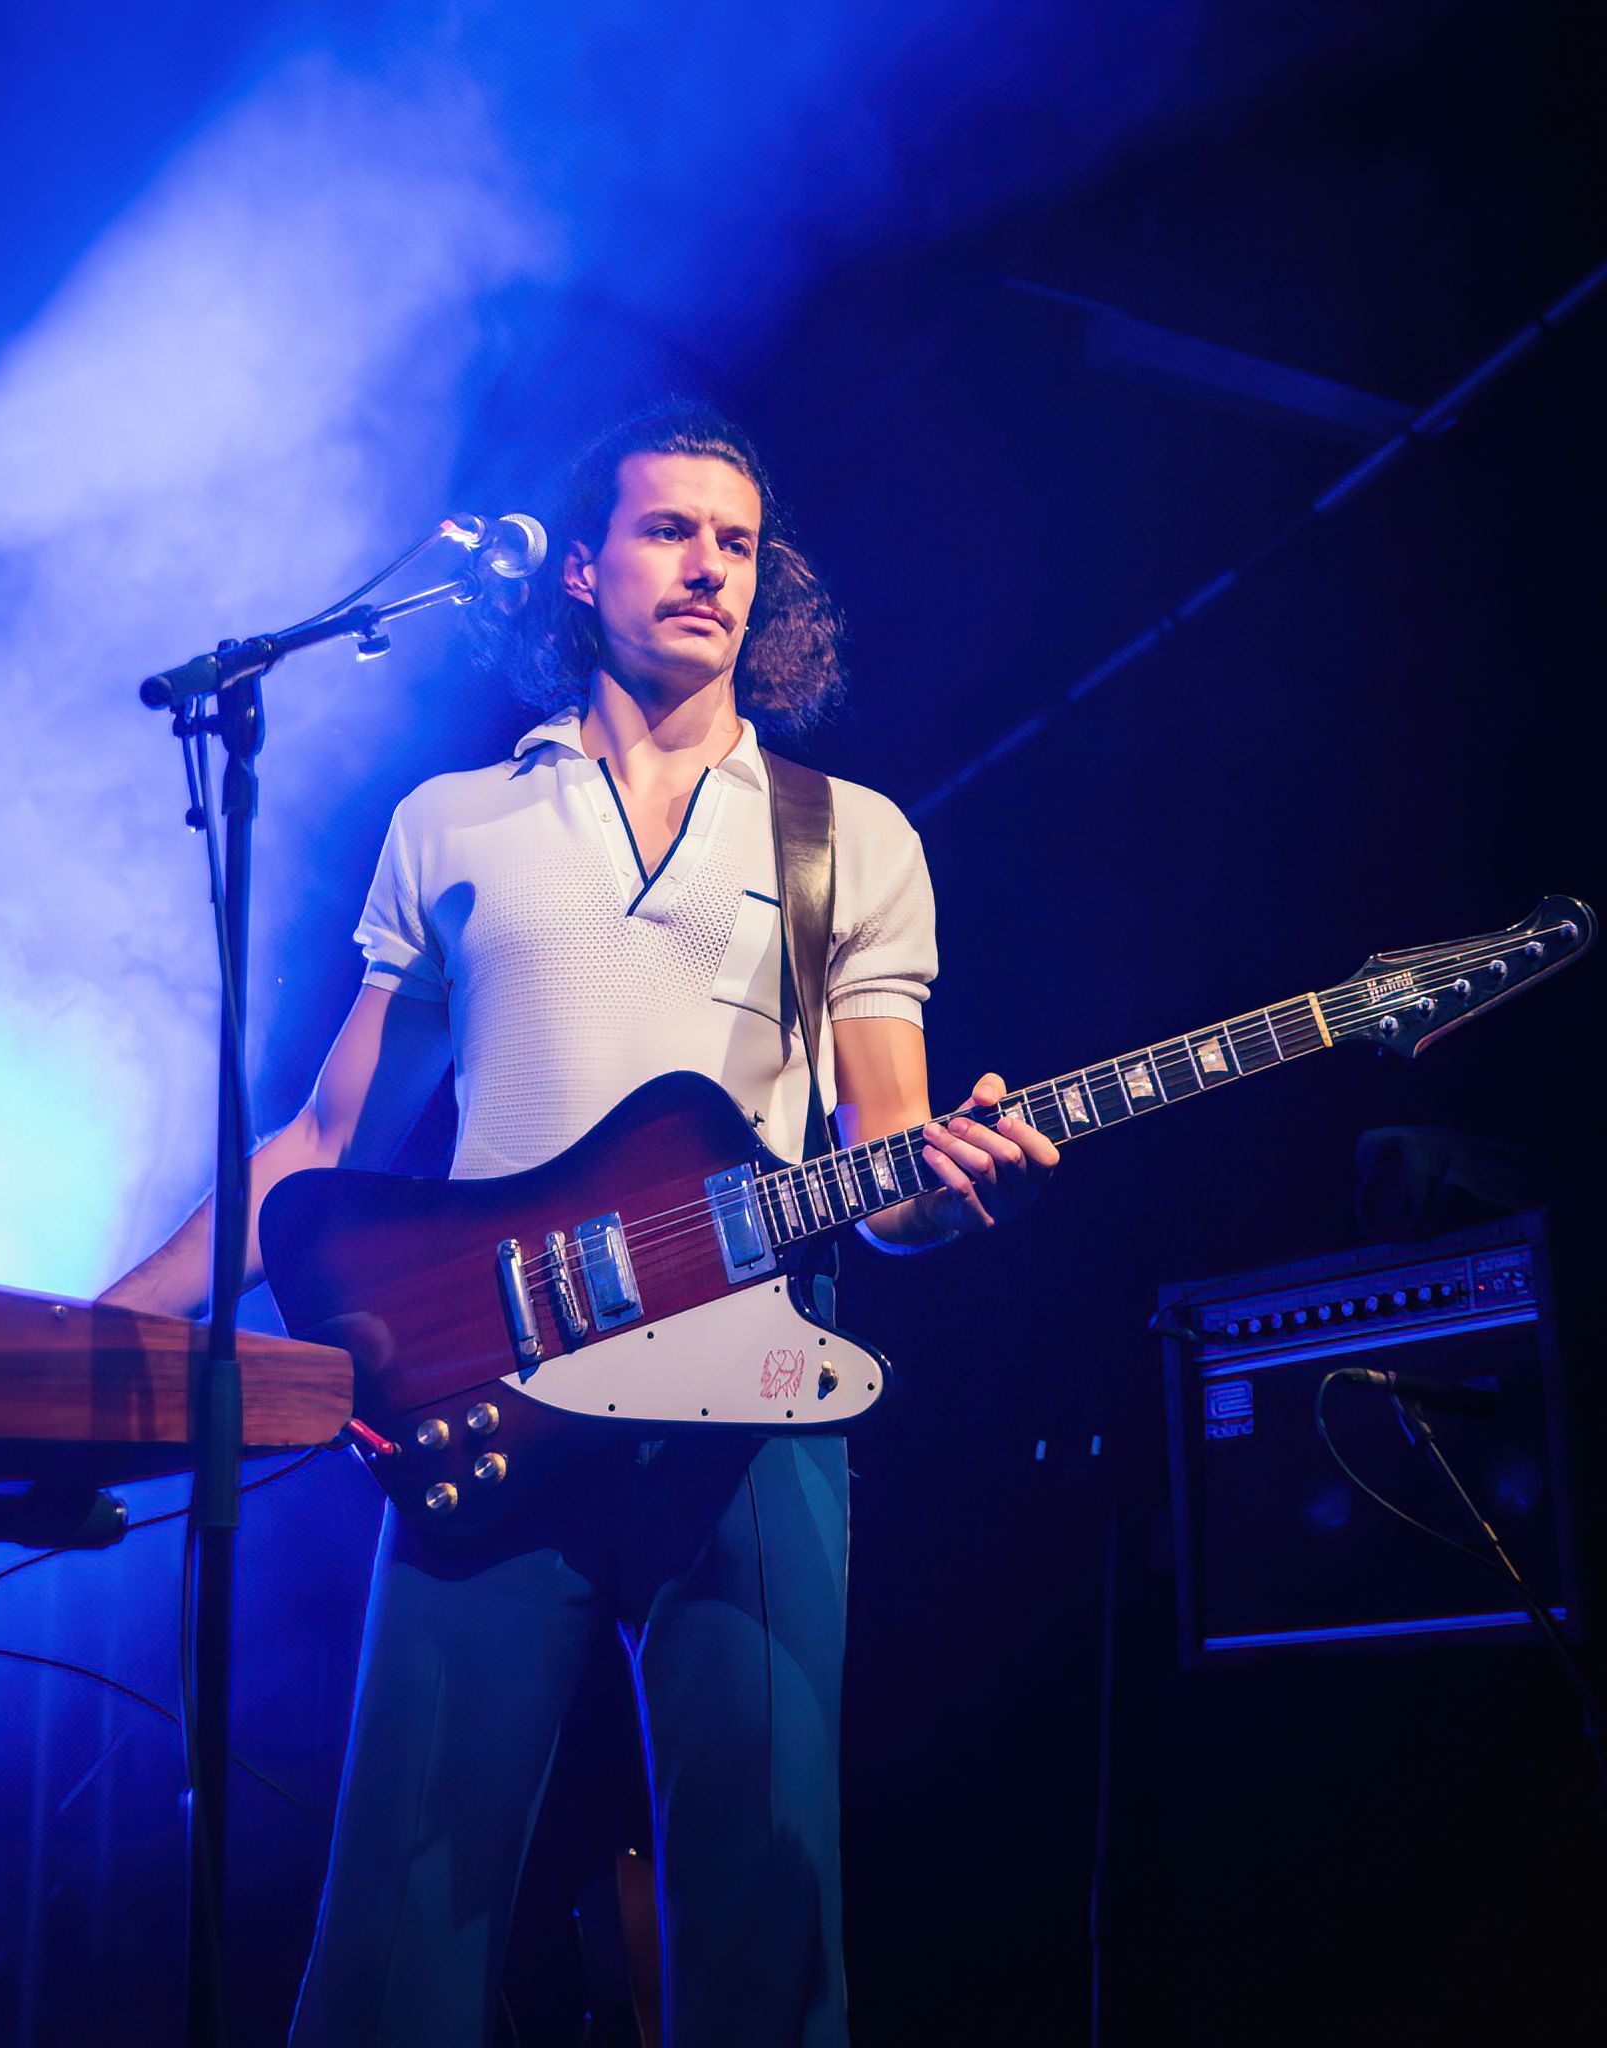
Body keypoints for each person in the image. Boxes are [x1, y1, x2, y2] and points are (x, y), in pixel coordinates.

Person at [103, 402, 1059, 2044]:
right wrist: (103, 1327)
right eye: (670, 530)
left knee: (767, 1926)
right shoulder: (454, 823)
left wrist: (955, 1194)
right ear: (578, 568)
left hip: (753, 1412)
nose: (710, 568)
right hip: (487, 1399)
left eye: (739, 543)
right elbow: (328, 1145)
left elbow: (885, 1167)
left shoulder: (850, 835)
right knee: (396, 1935)